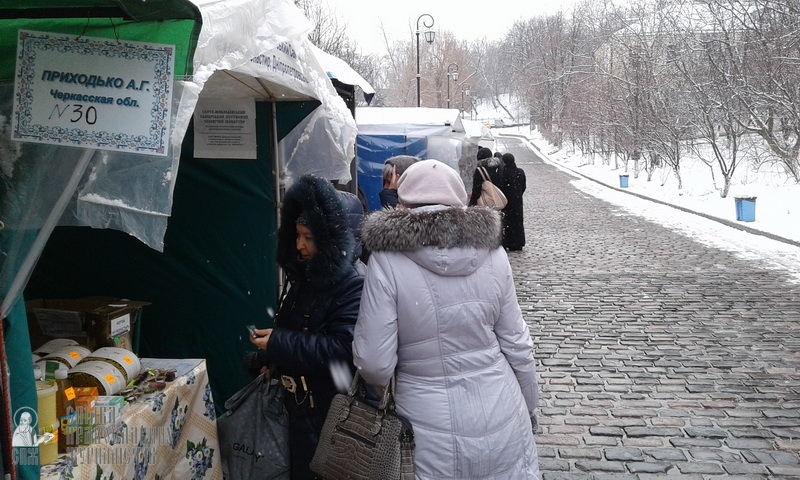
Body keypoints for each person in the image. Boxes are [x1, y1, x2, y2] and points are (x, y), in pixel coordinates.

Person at [353, 159, 540, 479]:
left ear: (402, 200)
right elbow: (517, 344)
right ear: (459, 199)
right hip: (503, 415)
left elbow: (374, 363)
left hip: (426, 434)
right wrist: (529, 404)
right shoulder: (493, 253)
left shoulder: (386, 259)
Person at [249, 174, 364, 480]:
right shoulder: (304, 278)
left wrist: (279, 344)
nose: (299, 245)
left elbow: (343, 350)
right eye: (297, 235)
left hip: (330, 417)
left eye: (309, 237)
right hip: (302, 413)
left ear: (332, 240)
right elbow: (301, 334)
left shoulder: (354, 285)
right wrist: (270, 360)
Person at [500, 152, 527, 251]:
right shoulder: (520, 172)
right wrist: (518, 194)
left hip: (506, 201)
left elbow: (501, 187)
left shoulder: (503, 172)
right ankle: (518, 242)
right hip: (518, 201)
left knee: (507, 222)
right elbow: (523, 186)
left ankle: (508, 241)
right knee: (518, 222)